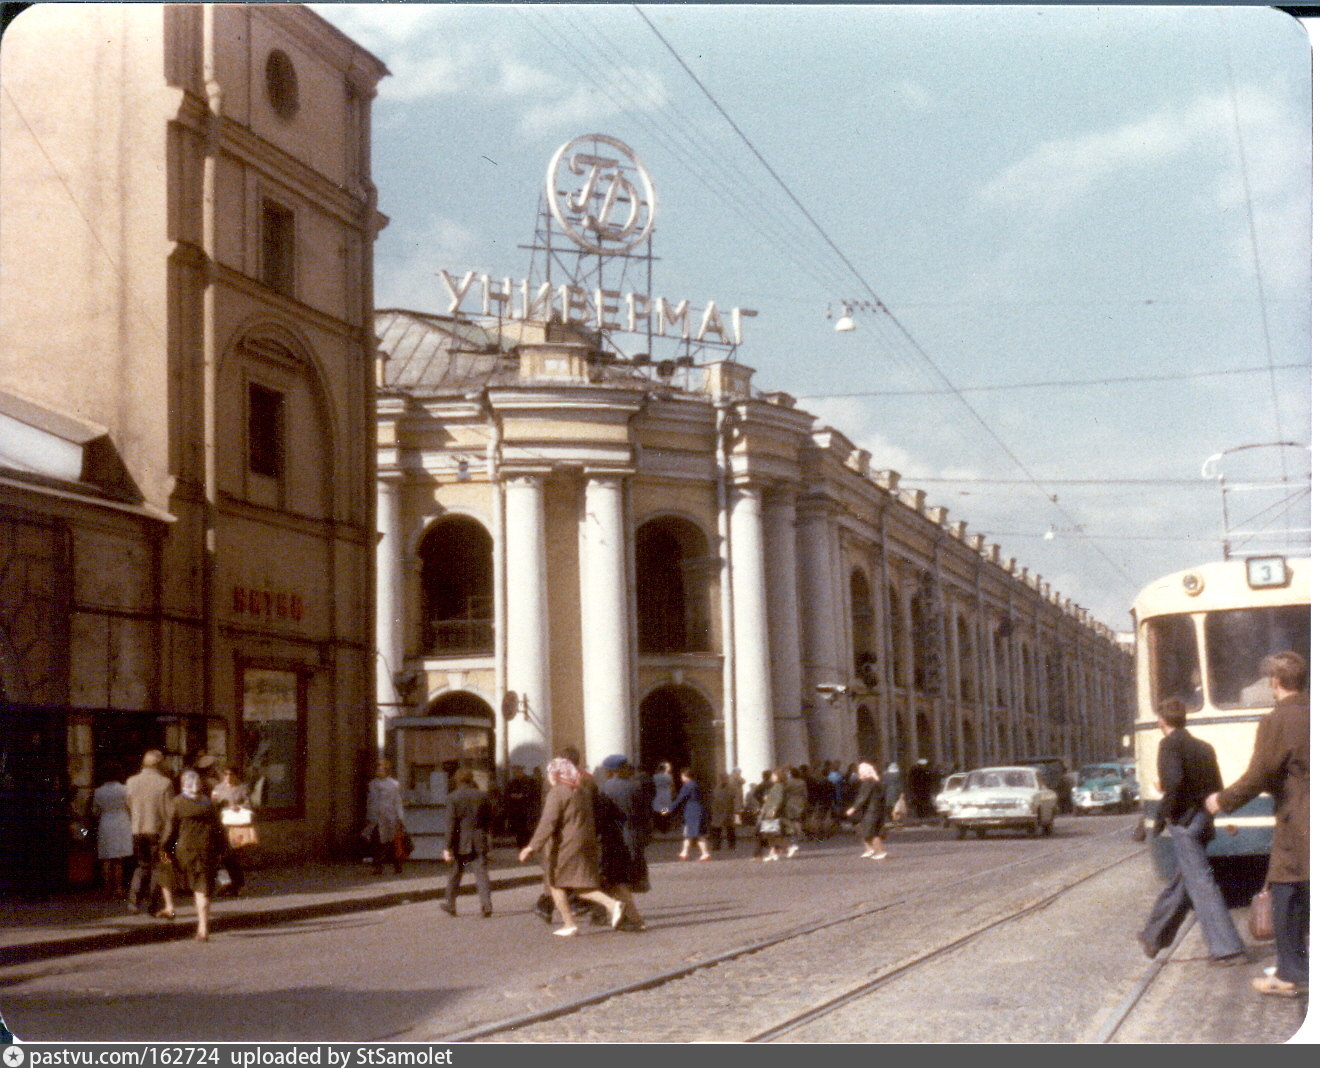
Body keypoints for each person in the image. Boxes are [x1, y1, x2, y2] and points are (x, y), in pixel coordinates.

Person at [1206, 651, 1309, 997]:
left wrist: (1222, 800)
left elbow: (1261, 773)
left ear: (1274, 682)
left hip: (1299, 821)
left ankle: (1291, 974)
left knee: (1287, 893)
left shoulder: (1277, 720)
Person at [1138, 698, 1247, 965]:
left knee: (1201, 883)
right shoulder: (1204, 747)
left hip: (1184, 823)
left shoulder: (1169, 744)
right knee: (1185, 880)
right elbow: (1216, 786)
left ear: (1162, 721)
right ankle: (1153, 936)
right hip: (1203, 820)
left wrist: (1164, 814)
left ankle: (1228, 949)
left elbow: (1174, 783)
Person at [519, 756, 625, 936]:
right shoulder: (581, 790)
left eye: (550, 773)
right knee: (578, 884)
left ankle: (573, 922)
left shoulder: (558, 792)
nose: (548, 776)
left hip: (565, 845)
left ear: (556, 774)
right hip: (584, 842)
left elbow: (548, 822)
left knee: (555, 882)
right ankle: (608, 906)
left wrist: (532, 846)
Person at [160, 769, 227, 941]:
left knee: (165, 871)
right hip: (206, 850)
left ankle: (170, 906)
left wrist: (164, 848)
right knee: (202, 888)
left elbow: (170, 830)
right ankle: (203, 928)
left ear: (183, 785)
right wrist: (222, 849)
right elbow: (218, 829)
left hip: (184, 850)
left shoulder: (177, 803)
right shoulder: (207, 803)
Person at [596, 754, 651, 931]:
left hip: (616, 839)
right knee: (622, 879)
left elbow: (603, 816)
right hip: (635, 837)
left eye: (606, 769)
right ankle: (619, 916)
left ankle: (634, 919)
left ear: (612, 771)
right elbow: (646, 814)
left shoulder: (607, 788)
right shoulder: (635, 787)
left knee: (617, 880)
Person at [125, 749, 175, 918]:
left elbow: (128, 804)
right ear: (159, 764)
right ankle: (153, 904)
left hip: (137, 830)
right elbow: (170, 812)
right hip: (157, 832)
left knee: (141, 865)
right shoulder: (165, 783)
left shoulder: (131, 782)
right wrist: (169, 834)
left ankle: (133, 902)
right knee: (159, 868)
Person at [441, 768, 493, 918]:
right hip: (478, 840)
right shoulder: (482, 796)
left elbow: (450, 824)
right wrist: (488, 838)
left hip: (460, 843)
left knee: (456, 873)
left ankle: (450, 904)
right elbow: (489, 819)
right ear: (471, 779)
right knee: (481, 873)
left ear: (457, 781)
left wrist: (446, 847)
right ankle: (486, 904)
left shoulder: (453, 797)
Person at [89, 765, 133, 899]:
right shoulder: (125, 789)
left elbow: (95, 812)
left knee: (106, 858)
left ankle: (107, 888)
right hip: (122, 823)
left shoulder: (98, 791)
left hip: (106, 823)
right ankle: (119, 889)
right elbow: (130, 806)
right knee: (118, 859)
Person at [208, 765, 249, 897]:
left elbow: (248, 804)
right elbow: (212, 804)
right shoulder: (218, 788)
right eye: (226, 774)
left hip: (235, 826)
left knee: (233, 855)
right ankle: (228, 884)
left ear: (236, 775)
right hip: (221, 825)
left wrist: (239, 807)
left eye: (231, 774)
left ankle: (238, 884)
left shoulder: (242, 788)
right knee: (222, 857)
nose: (228, 777)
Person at [363, 758, 407, 876]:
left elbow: (397, 801)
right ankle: (378, 866)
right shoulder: (372, 784)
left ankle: (397, 864)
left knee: (391, 843)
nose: (379, 772)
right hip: (376, 818)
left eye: (382, 770)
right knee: (377, 843)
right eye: (378, 770)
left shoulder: (393, 785)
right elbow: (370, 801)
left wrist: (400, 817)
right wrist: (369, 816)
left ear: (387, 771)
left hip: (389, 817)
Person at [666, 767, 713, 861]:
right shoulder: (696, 785)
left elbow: (680, 799)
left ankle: (703, 853)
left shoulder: (687, 786)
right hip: (698, 810)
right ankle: (685, 853)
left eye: (682, 776)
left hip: (692, 812)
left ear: (686, 776)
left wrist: (667, 809)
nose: (681, 778)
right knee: (692, 833)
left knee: (695, 833)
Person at [846, 761, 889, 859]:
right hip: (876, 809)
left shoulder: (868, 782)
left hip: (871, 811)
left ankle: (879, 851)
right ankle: (869, 849)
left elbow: (863, 797)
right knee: (867, 830)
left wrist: (853, 808)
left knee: (871, 831)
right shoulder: (876, 781)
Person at [503, 764, 542, 849]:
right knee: (519, 830)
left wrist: (522, 796)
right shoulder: (511, 783)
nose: (515, 773)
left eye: (517, 771)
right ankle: (521, 846)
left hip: (527, 810)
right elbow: (506, 795)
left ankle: (526, 846)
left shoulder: (530, 781)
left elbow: (534, 795)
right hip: (516, 811)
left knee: (527, 830)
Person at [756, 767, 790, 862]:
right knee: (770, 834)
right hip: (770, 812)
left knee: (770, 833)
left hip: (771, 813)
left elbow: (778, 799)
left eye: (773, 775)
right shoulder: (777, 786)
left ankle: (789, 847)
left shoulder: (778, 786)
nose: (772, 777)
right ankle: (773, 854)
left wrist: (774, 809)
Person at [781, 766, 809, 858]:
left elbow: (784, 791)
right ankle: (800, 833)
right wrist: (805, 801)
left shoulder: (788, 782)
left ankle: (796, 833)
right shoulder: (802, 782)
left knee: (792, 819)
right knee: (798, 818)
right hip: (800, 801)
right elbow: (805, 793)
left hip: (790, 801)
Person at [709, 773, 740, 853]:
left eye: (724, 778)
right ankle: (716, 845)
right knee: (716, 829)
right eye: (722, 778)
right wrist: (712, 809)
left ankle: (732, 845)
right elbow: (713, 799)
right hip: (718, 811)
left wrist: (737, 811)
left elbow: (736, 800)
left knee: (730, 829)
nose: (723, 780)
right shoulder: (717, 788)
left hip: (728, 811)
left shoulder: (732, 788)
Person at [651, 761, 675, 835]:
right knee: (665, 810)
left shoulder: (655, 776)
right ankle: (664, 826)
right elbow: (672, 786)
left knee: (658, 810)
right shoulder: (668, 776)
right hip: (666, 794)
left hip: (658, 793)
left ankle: (659, 826)